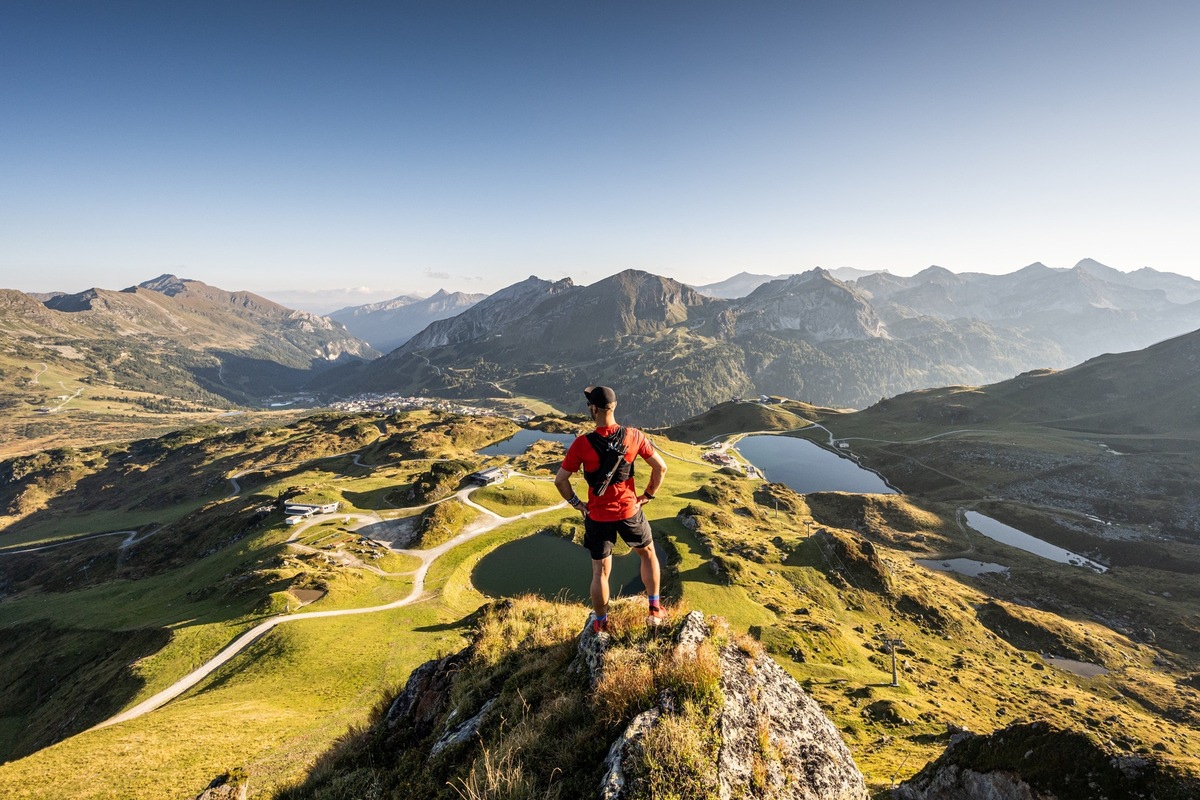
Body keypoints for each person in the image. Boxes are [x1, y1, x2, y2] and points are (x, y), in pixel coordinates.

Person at [554, 385, 668, 633]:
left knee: (600, 572)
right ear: (614, 407)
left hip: (597, 516)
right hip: (629, 511)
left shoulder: (582, 444)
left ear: (593, 409)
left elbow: (560, 480)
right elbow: (661, 468)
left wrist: (577, 504)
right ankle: (654, 609)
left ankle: (601, 623)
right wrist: (646, 496)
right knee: (648, 553)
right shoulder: (634, 436)